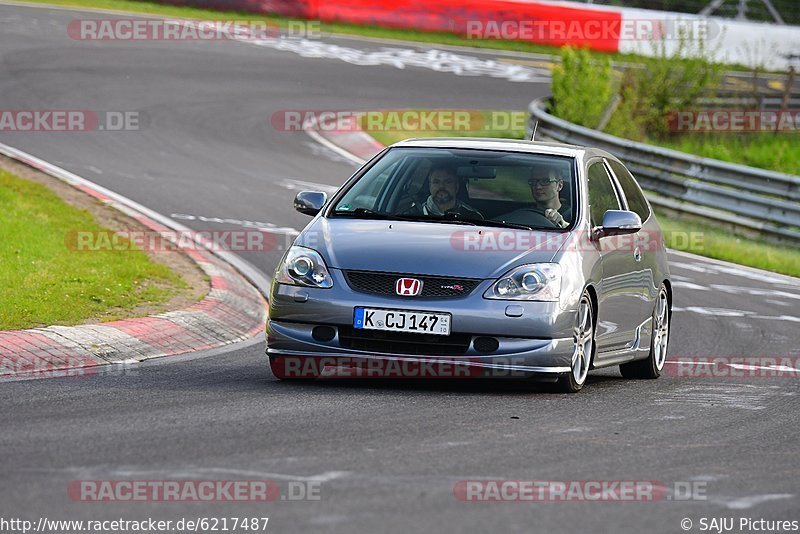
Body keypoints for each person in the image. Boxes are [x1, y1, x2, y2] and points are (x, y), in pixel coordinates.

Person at [500, 167, 572, 228]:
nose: (538, 187)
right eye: (533, 181)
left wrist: (563, 224)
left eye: (545, 181)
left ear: (559, 185)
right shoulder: (524, 215)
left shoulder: (575, 216)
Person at [404, 166, 483, 219]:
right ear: (430, 186)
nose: (441, 186)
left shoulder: (472, 217)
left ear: (456, 186)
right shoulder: (412, 215)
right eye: (436, 182)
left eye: (448, 182)